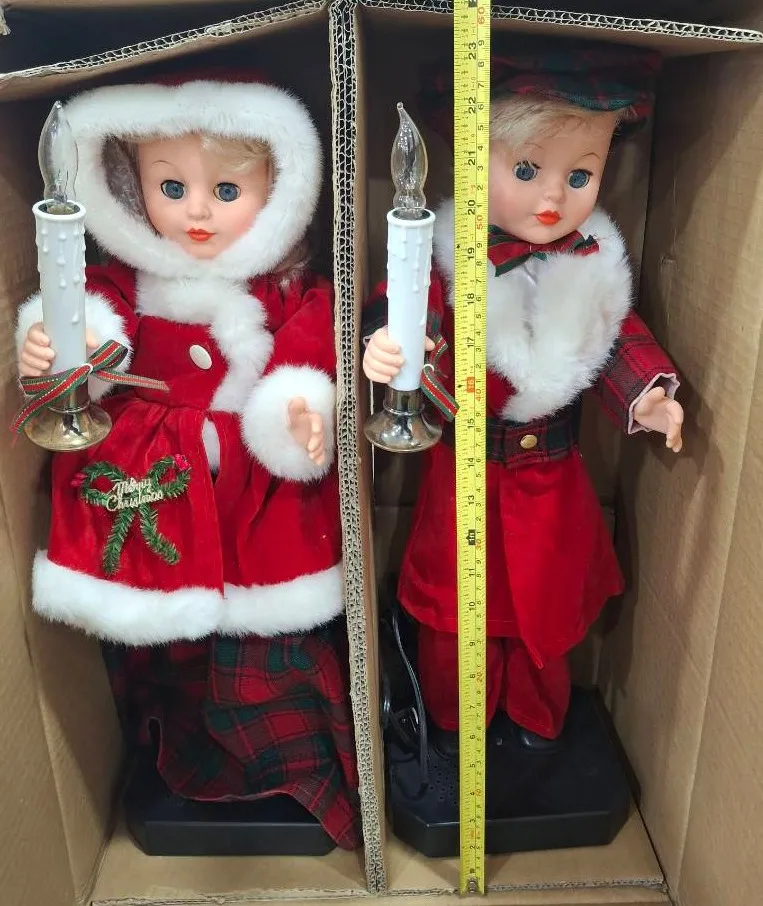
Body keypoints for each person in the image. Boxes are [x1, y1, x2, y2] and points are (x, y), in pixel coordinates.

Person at [16, 70, 360, 848]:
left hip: (255, 493)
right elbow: (88, 313)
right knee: (166, 650)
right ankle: (178, 746)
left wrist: (300, 407)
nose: (196, 212)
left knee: (264, 650)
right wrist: (63, 341)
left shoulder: (289, 287)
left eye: (226, 190)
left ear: (278, 189)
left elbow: (314, 342)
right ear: (131, 187)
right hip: (154, 490)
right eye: (171, 187)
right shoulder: (130, 282)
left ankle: (281, 763)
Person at [362, 45, 683, 754]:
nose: (552, 199)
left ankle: (537, 718)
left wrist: (648, 396)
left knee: (545, 609)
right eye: (527, 171)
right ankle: (455, 720)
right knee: (456, 608)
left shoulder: (594, 263)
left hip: (553, 479)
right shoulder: (446, 251)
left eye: (580, 176)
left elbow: (617, 339)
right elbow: (406, 301)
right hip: (463, 473)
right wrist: (387, 342)